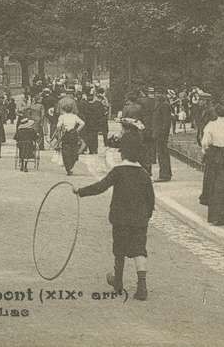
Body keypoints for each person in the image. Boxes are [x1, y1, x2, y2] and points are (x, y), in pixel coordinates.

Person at [74, 132, 155, 301]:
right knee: (140, 250)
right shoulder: (144, 174)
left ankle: (118, 282)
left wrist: (81, 192)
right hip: (139, 219)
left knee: (119, 249)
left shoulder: (118, 171)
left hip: (120, 217)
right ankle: (142, 287)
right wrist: (146, 216)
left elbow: (100, 187)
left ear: (122, 152)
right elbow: (150, 199)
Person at [56, 103, 85, 176]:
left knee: (65, 151)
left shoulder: (62, 117)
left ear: (64, 109)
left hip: (66, 134)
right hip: (73, 134)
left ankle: (68, 168)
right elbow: (82, 123)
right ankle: (71, 165)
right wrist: (77, 130)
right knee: (74, 149)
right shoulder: (74, 116)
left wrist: (61, 131)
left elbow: (58, 126)